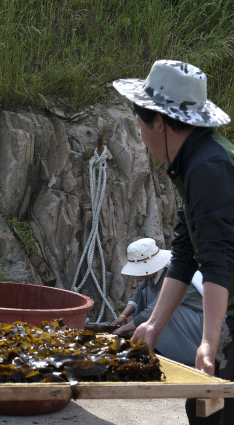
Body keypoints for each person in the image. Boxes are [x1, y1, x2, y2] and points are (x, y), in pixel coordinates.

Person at [113, 60, 233, 424]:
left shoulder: (208, 167)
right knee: (203, 410)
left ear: (159, 122)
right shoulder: (195, 160)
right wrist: (154, 325)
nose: (142, 136)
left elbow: (216, 258)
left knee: (213, 413)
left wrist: (208, 343)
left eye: (139, 125)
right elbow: (184, 252)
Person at [111, 238, 204, 365]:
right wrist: (123, 316)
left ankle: (188, 357)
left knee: (165, 311)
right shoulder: (154, 275)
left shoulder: (177, 275)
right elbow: (139, 294)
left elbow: (154, 310)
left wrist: (122, 330)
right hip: (186, 318)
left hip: (201, 322)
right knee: (147, 293)